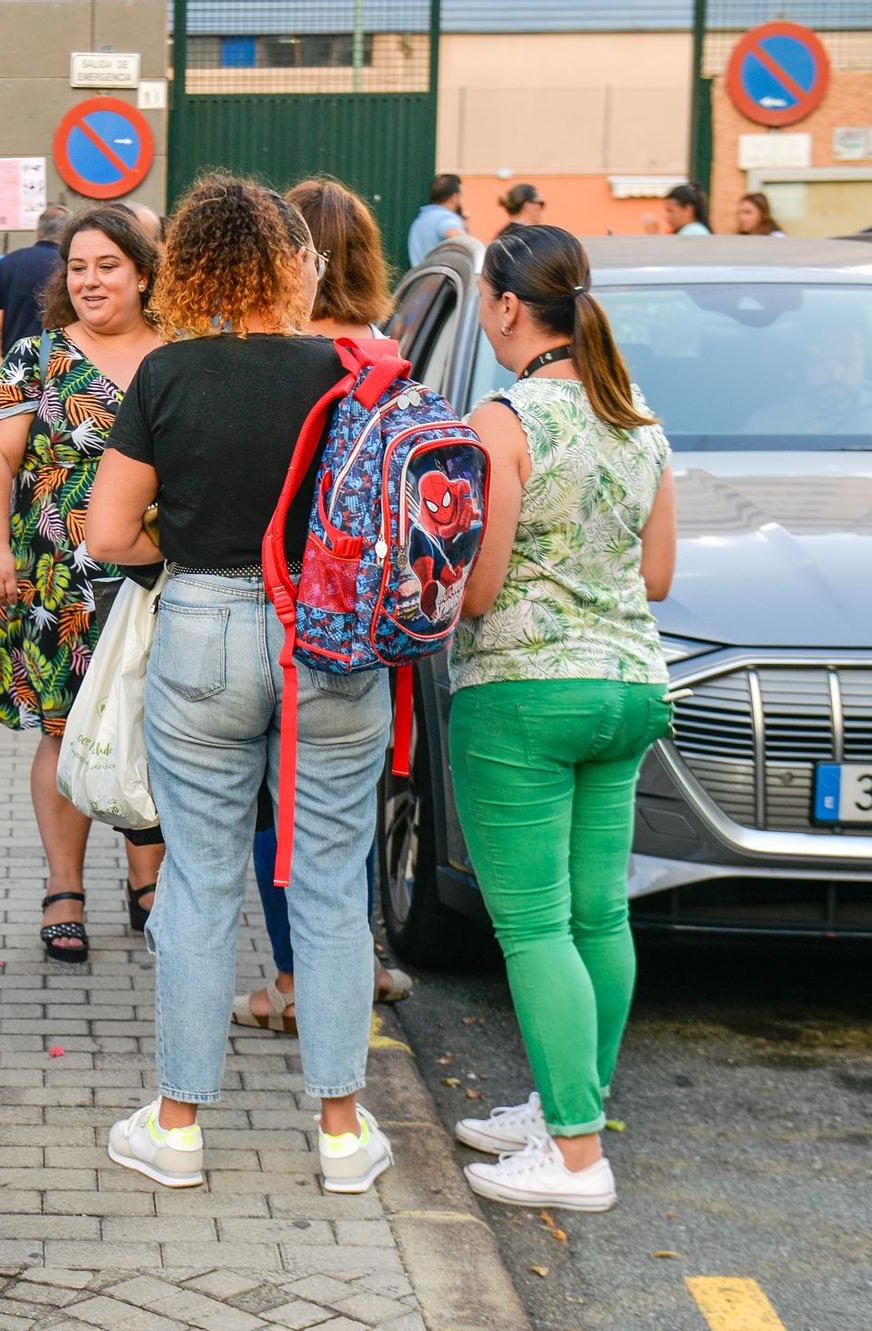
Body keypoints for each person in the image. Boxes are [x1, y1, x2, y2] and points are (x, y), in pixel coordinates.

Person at [86, 174, 396, 1196]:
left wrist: (174, 566)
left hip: (205, 623)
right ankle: (343, 1133)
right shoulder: (347, 372)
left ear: (182, 270)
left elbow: (105, 531)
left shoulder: (166, 376)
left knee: (199, 879)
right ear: (292, 265)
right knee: (327, 875)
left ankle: (175, 1125)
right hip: (330, 637)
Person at [448, 224, 675, 1213]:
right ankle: (562, 1103)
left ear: (503, 305)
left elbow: (480, 587)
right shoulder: (637, 419)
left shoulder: (505, 421)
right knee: (596, 914)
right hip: (628, 686)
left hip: (521, 695)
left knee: (534, 924)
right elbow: (656, 575)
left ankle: (575, 1155)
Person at [235, 179, 410, 1034]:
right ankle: (359, 956)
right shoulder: (385, 355)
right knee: (346, 804)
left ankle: (298, 979)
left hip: (276, 601)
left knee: (275, 805)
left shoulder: (279, 352)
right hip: (367, 617)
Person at [0, 204, 167, 962]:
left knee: (150, 727)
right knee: (65, 729)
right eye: (78, 267)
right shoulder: (36, 358)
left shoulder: (177, 354)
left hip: (156, 573)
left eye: (107, 266)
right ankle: (64, 887)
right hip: (60, 577)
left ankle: (147, 880)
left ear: (143, 273)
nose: (89, 280)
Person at [0, 205, 69, 355]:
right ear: (67, 235)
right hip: (61, 362)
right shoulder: (69, 266)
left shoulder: (8, 262)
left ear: (38, 233)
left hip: (16, 362)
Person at [407, 172, 466, 265]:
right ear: (454, 197)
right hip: (443, 277)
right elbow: (463, 246)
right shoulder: (446, 218)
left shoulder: (421, 219)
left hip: (419, 277)